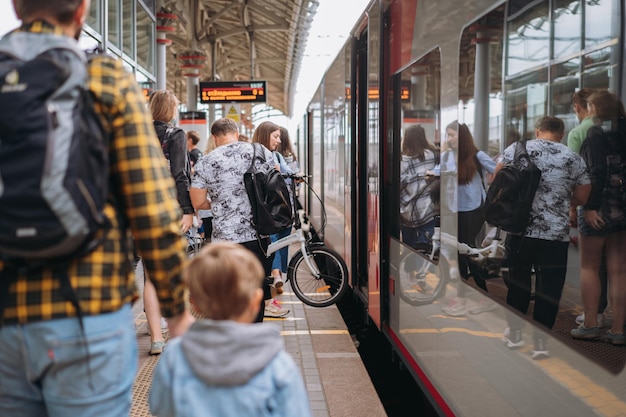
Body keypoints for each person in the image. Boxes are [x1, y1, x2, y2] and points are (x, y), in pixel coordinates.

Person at [0, 2, 193, 416]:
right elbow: (152, 208)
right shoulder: (104, 78)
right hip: (88, 314)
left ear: (17, 7)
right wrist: (176, 310)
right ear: (83, 11)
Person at [148, 242, 312, 417]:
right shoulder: (278, 366)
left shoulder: (175, 356)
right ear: (257, 301)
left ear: (194, 303)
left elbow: (159, 406)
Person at [499, 116, 590, 359]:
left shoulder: (517, 149)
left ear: (538, 131)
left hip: (521, 232)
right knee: (549, 287)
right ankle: (541, 344)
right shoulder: (572, 157)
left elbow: (497, 180)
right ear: (561, 134)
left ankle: (516, 336)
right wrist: (560, 200)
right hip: (555, 235)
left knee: (518, 282)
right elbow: (583, 196)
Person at [190, 118, 276, 322]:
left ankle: (230, 332)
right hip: (259, 235)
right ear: (236, 133)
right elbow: (276, 182)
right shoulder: (260, 152)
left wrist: (216, 203)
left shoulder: (206, 161)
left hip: (225, 240)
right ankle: (253, 331)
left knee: (228, 289)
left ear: (214, 136)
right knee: (256, 287)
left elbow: (197, 200)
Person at [571, 91, 626, 345]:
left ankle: (591, 323)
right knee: (618, 270)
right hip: (622, 208)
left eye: (590, 106)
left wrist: (590, 207)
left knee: (589, 266)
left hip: (599, 206)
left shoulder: (596, 132)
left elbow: (597, 171)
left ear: (595, 108)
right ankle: (618, 330)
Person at [144, 89, 194, 355]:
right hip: (165, 209)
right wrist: (187, 210)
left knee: (148, 278)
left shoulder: (137, 132)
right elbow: (179, 175)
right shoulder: (175, 134)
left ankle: (155, 338)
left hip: (135, 210)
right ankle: (178, 334)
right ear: (170, 109)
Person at [440, 122, 497, 317]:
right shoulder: (447, 156)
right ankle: (471, 295)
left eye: (452, 135)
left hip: (474, 210)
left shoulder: (477, 155)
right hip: (454, 209)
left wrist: (496, 191)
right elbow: (436, 171)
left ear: (462, 136)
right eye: (447, 135)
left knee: (464, 250)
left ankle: (477, 295)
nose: (449, 139)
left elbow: (498, 170)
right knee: (460, 251)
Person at [567, 88, 609, 328]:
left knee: (590, 266)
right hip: (616, 206)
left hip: (591, 205)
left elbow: (575, 174)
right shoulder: (612, 129)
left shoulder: (579, 132)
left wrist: (574, 208)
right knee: (614, 266)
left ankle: (594, 315)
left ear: (578, 107)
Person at [252, 122, 293, 318]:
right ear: (265, 135)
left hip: (275, 212)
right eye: (275, 136)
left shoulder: (271, 154)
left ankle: (270, 301)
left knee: (270, 256)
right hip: (266, 214)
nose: (279, 140)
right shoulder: (259, 155)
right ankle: (268, 302)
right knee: (268, 256)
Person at [399, 124, 439, 249]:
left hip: (407, 213)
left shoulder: (402, 161)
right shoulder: (434, 155)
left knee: (409, 248)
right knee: (426, 248)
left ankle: (411, 268)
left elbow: (399, 184)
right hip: (428, 210)